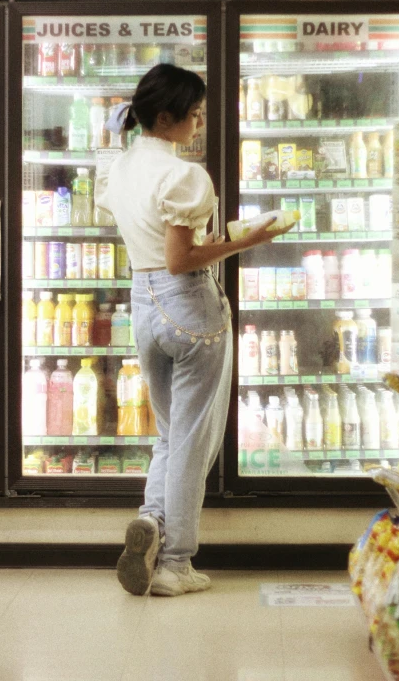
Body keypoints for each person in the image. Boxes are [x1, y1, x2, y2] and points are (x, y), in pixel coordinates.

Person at [96, 64, 293, 597]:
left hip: (143, 303)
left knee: (168, 434)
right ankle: (176, 564)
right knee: (191, 440)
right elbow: (182, 260)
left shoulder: (119, 167)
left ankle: (151, 524)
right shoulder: (184, 176)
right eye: (195, 113)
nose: (200, 122)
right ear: (167, 117)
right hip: (189, 307)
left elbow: (150, 242)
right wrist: (249, 239)